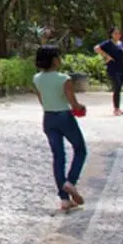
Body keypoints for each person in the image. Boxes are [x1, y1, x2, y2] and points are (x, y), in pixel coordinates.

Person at [32, 45, 89, 213]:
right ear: (55, 60)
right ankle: (70, 181)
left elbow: (42, 100)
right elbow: (73, 103)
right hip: (64, 116)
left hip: (48, 118)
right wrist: (81, 107)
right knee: (80, 149)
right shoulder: (63, 78)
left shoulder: (37, 78)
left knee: (58, 156)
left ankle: (64, 199)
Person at [96, 27, 123, 115]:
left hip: (121, 68)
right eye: (115, 33)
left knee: (119, 89)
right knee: (117, 86)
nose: (117, 35)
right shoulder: (108, 43)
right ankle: (116, 109)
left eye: (118, 33)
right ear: (111, 34)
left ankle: (118, 108)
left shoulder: (122, 44)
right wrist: (107, 56)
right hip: (112, 68)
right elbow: (96, 48)